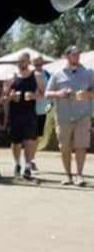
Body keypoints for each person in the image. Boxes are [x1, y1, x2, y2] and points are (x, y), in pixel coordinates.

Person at [45, 45, 94, 186]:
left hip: (83, 115)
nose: (77, 56)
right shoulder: (57, 74)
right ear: (67, 56)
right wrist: (59, 94)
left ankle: (79, 175)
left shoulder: (89, 73)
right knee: (64, 147)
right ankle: (68, 176)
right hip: (63, 116)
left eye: (78, 54)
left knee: (81, 146)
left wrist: (86, 94)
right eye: (74, 54)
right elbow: (47, 93)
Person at [2, 52, 44, 180]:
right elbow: (3, 98)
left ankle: (28, 166)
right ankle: (17, 164)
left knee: (29, 140)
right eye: (19, 61)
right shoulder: (11, 77)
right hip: (15, 114)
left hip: (29, 113)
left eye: (23, 61)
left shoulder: (36, 76)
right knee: (16, 143)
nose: (21, 64)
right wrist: (11, 97)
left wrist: (33, 96)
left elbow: (43, 94)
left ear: (29, 62)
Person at [32, 56, 52, 170]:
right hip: (31, 110)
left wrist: (51, 103)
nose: (38, 66)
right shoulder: (30, 75)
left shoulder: (48, 75)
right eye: (36, 64)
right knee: (32, 136)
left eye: (39, 63)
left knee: (39, 136)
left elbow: (50, 90)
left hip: (44, 110)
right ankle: (30, 159)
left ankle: (31, 157)